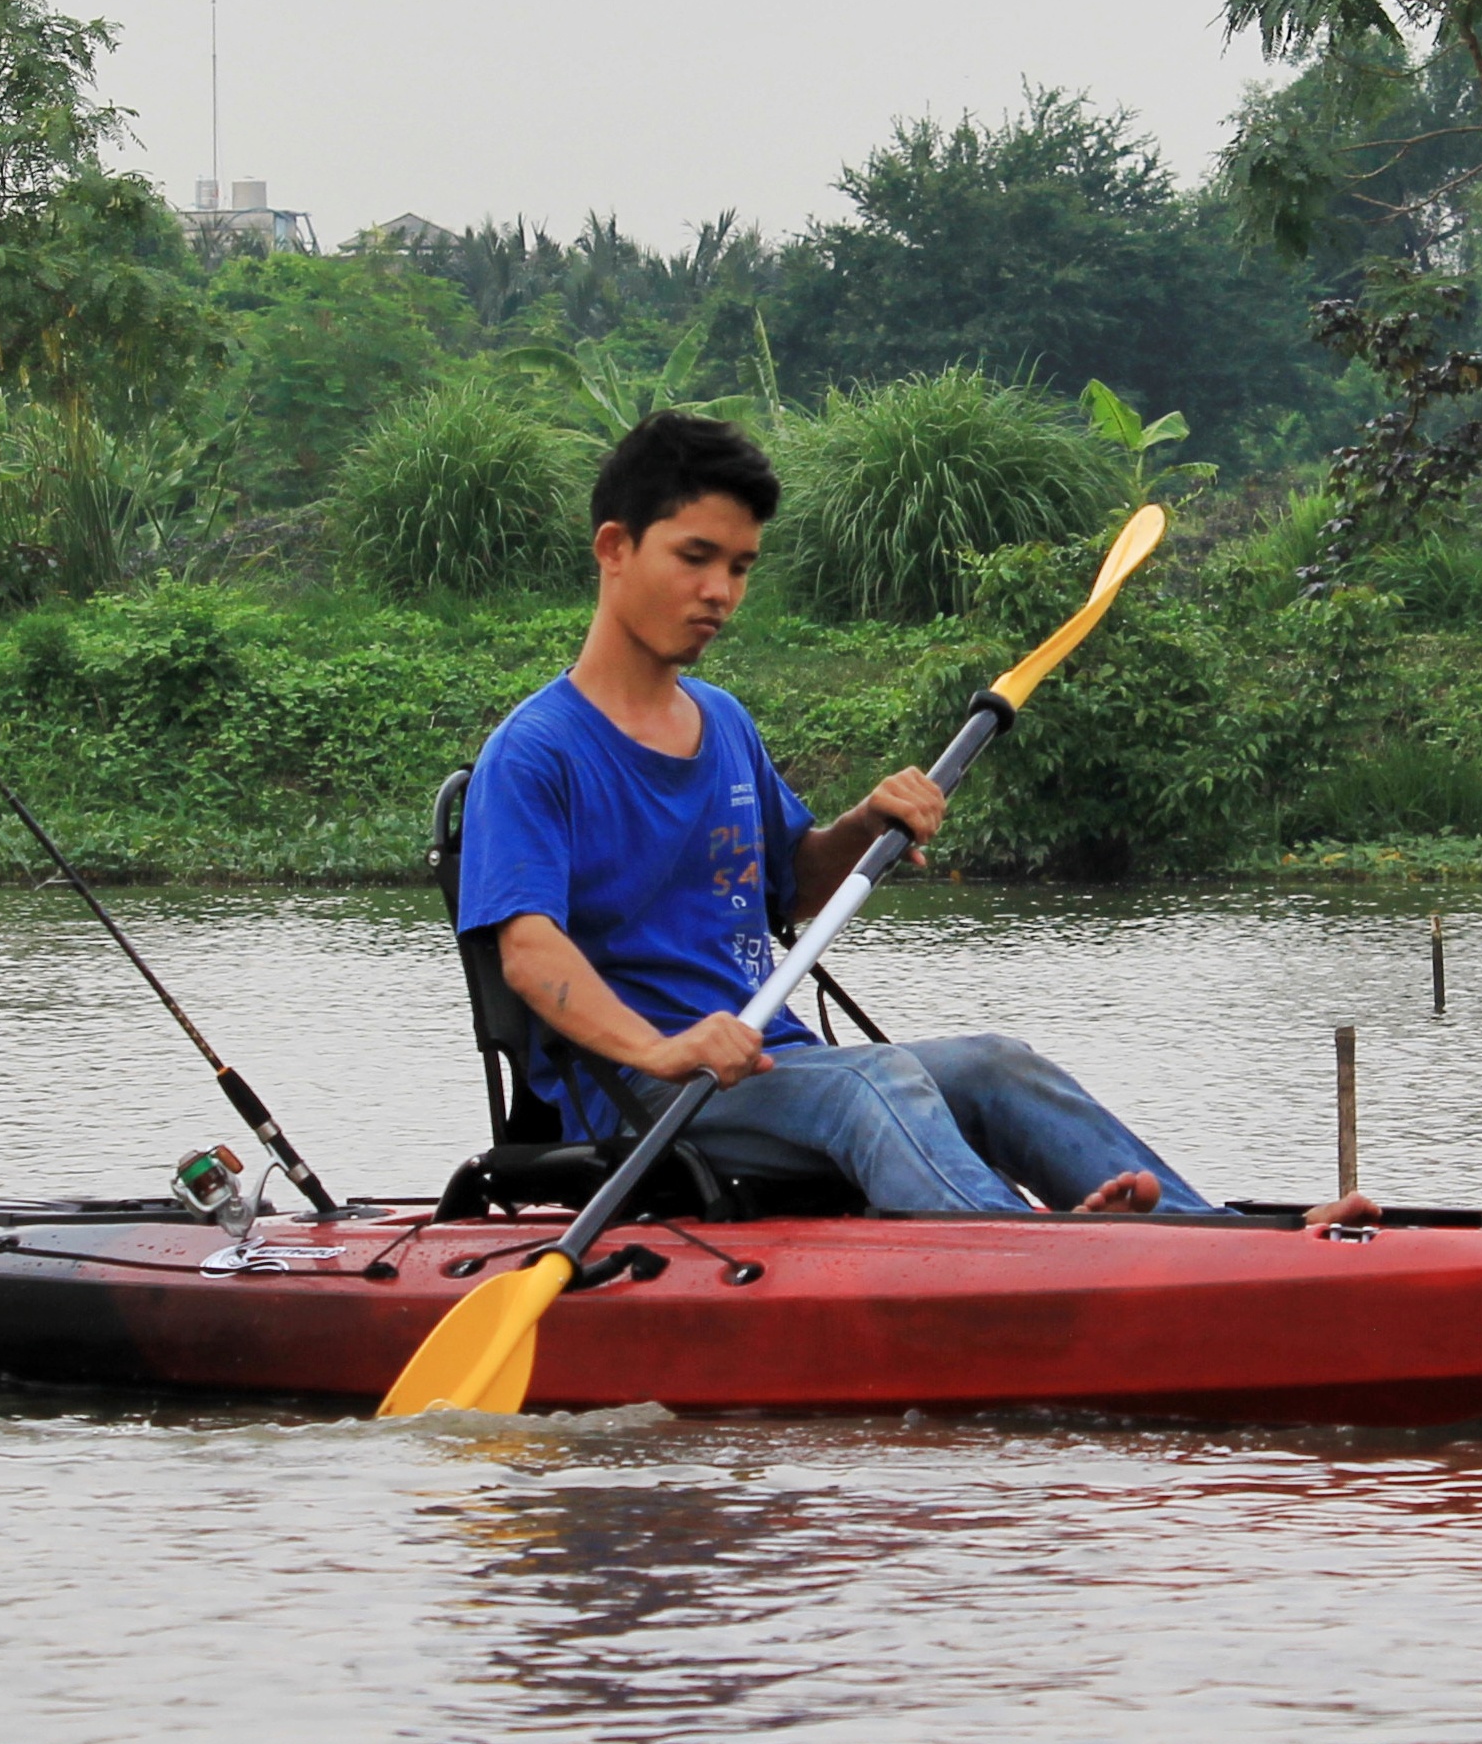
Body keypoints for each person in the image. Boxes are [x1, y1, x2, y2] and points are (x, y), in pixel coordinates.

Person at [456, 411, 1375, 1223]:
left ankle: (1198, 1235)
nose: (721, 594)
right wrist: (662, 1050)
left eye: (740, 567)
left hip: (776, 1069)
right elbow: (529, 953)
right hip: (645, 1093)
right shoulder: (535, 752)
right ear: (614, 547)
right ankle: (1025, 1258)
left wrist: (863, 822)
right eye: (694, 558)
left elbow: (796, 880)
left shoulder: (723, 722)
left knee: (994, 1062)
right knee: (873, 1078)